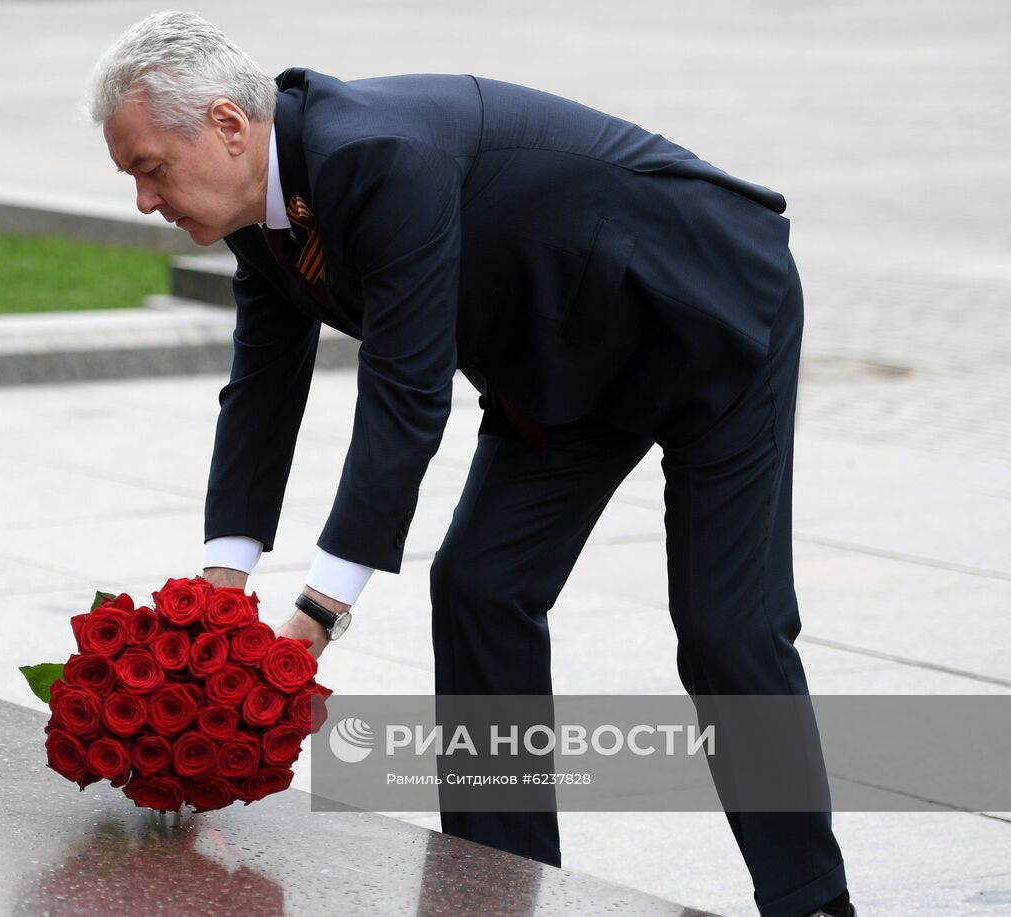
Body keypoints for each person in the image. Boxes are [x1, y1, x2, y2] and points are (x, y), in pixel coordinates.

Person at [92, 11, 853, 917]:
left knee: (730, 630)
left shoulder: (376, 157)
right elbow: (260, 393)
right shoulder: (260, 208)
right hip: (563, 367)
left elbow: (406, 396)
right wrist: (218, 603)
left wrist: (315, 615)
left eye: (149, 168)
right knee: (480, 586)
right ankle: (499, 886)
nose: (145, 199)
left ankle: (811, 900)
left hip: (704, 314)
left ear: (225, 125)